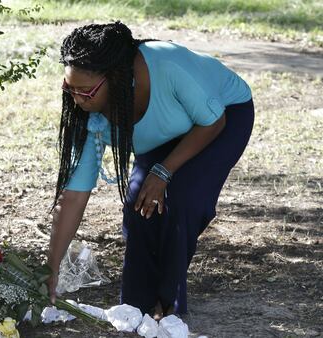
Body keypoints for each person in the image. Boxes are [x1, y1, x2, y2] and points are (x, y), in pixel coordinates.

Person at [46, 22, 254, 319]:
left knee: (180, 199)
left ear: (116, 77)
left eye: (86, 92)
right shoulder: (89, 115)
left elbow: (213, 122)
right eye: (70, 88)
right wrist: (50, 269)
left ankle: (168, 307)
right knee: (139, 204)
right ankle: (135, 309)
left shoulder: (167, 64)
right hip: (167, 132)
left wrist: (163, 171)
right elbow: (74, 196)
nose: (76, 100)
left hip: (222, 117)